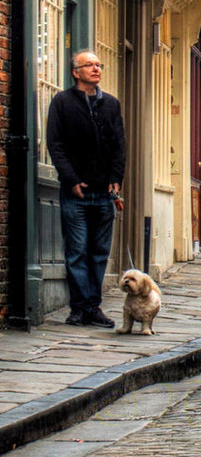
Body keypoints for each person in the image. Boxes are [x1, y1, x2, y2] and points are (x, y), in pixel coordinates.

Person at [46, 49, 126, 328]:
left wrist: (116, 179)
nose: (95, 69)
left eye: (98, 65)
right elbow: (55, 144)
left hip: (104, 192)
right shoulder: (62, 102)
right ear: (75, 72)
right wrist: (70, 179)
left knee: (99, 252)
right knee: (77, 251)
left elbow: (119, 146)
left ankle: (93, 307)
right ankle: (79, 308)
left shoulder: (111, 105)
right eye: (88, 65)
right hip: (75, 191)